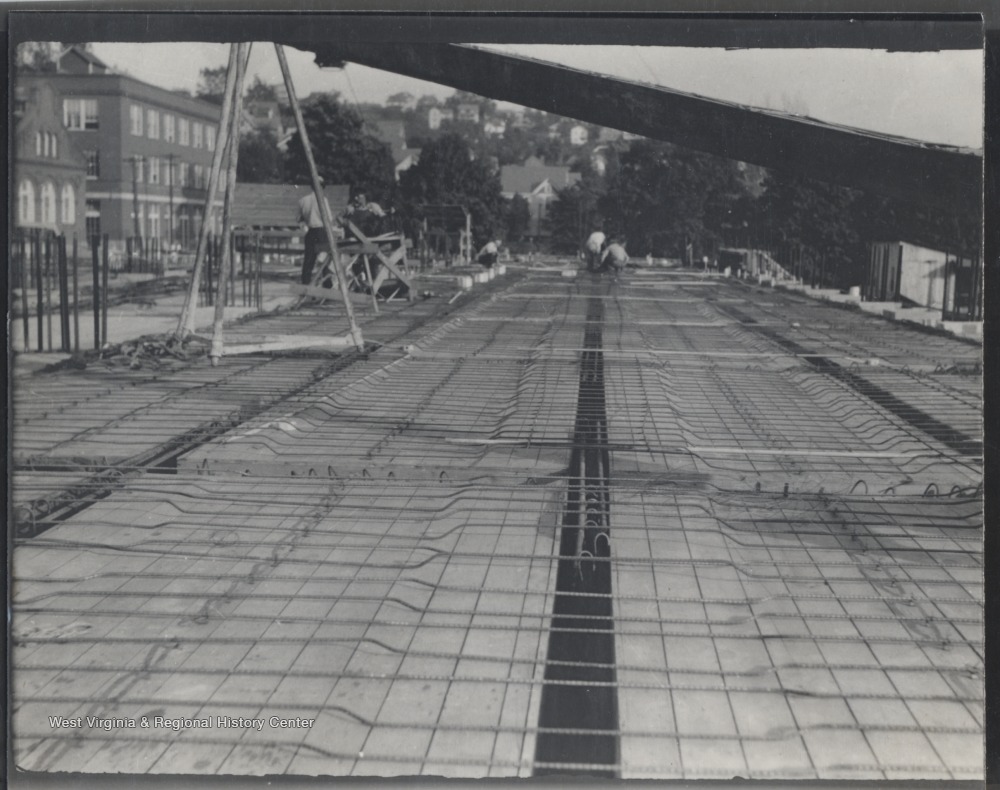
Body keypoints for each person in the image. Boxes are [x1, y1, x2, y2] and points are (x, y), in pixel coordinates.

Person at [297, 182, 333, 285]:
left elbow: (299, 219)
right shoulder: (323, 200)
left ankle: (306, 285)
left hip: (310, 232)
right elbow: (329, 218)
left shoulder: (303, 200)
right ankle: (327, 287)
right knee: (325, 260)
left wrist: (305, 225)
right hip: (321, 232)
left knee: (308, 261)